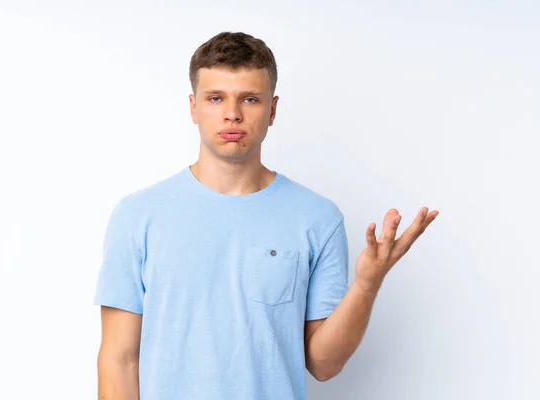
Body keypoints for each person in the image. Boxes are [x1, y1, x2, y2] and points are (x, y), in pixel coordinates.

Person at [93, 31, 439, 400]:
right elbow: (119, 358)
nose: (232, 113)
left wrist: (368, 285)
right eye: (216, 98)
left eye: (250, 99)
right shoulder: (139, 215)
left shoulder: (317, 218)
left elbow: (324, 365)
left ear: (272, 110)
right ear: (193, 107)